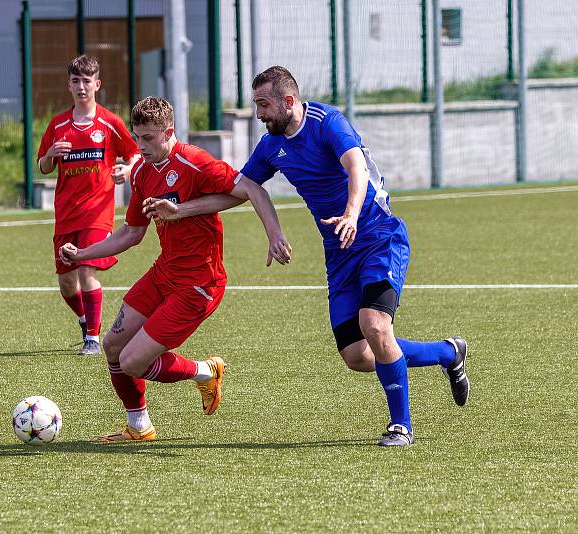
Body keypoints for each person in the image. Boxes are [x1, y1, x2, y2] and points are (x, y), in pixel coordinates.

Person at [143, 66, 470, 447]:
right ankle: (448, 353)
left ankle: (401, 426)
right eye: (255, 105)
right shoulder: (270, 147)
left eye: (264, 105)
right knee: (358, 355)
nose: (259, 113)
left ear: (288, 101)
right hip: (340, 254)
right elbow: (243, 189)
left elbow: (356, 167)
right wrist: (182, 210)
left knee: (375, 325)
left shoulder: (327, 121)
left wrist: (350, 213)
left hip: (380, 237)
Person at [60, 96, 291, 442]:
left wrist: (274, 235)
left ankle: (205, 371)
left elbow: (249, 190)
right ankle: (139, 426)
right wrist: (82, 254)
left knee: (133, 361)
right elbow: (132, 233)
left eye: (148, 138)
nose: (141, 145)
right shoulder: (140, 171)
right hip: (163, 273)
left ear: (168, 132)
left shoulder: (194, 161)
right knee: (112, 347)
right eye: (137, 137)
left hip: (199, 284)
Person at [37, 55, 140, 355]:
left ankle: (93, 340)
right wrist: (50, 155)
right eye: (75, 81)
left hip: (98, 212)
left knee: (86, 270)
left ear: (97, 84)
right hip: (66, 213)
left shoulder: (109, 122)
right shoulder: (57, 126)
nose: (81, 87)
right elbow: (43, 167)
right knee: (67, 284)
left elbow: (133, 153)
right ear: (69, 85)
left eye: (87, 81)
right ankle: (85, 322)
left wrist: (128, 169)